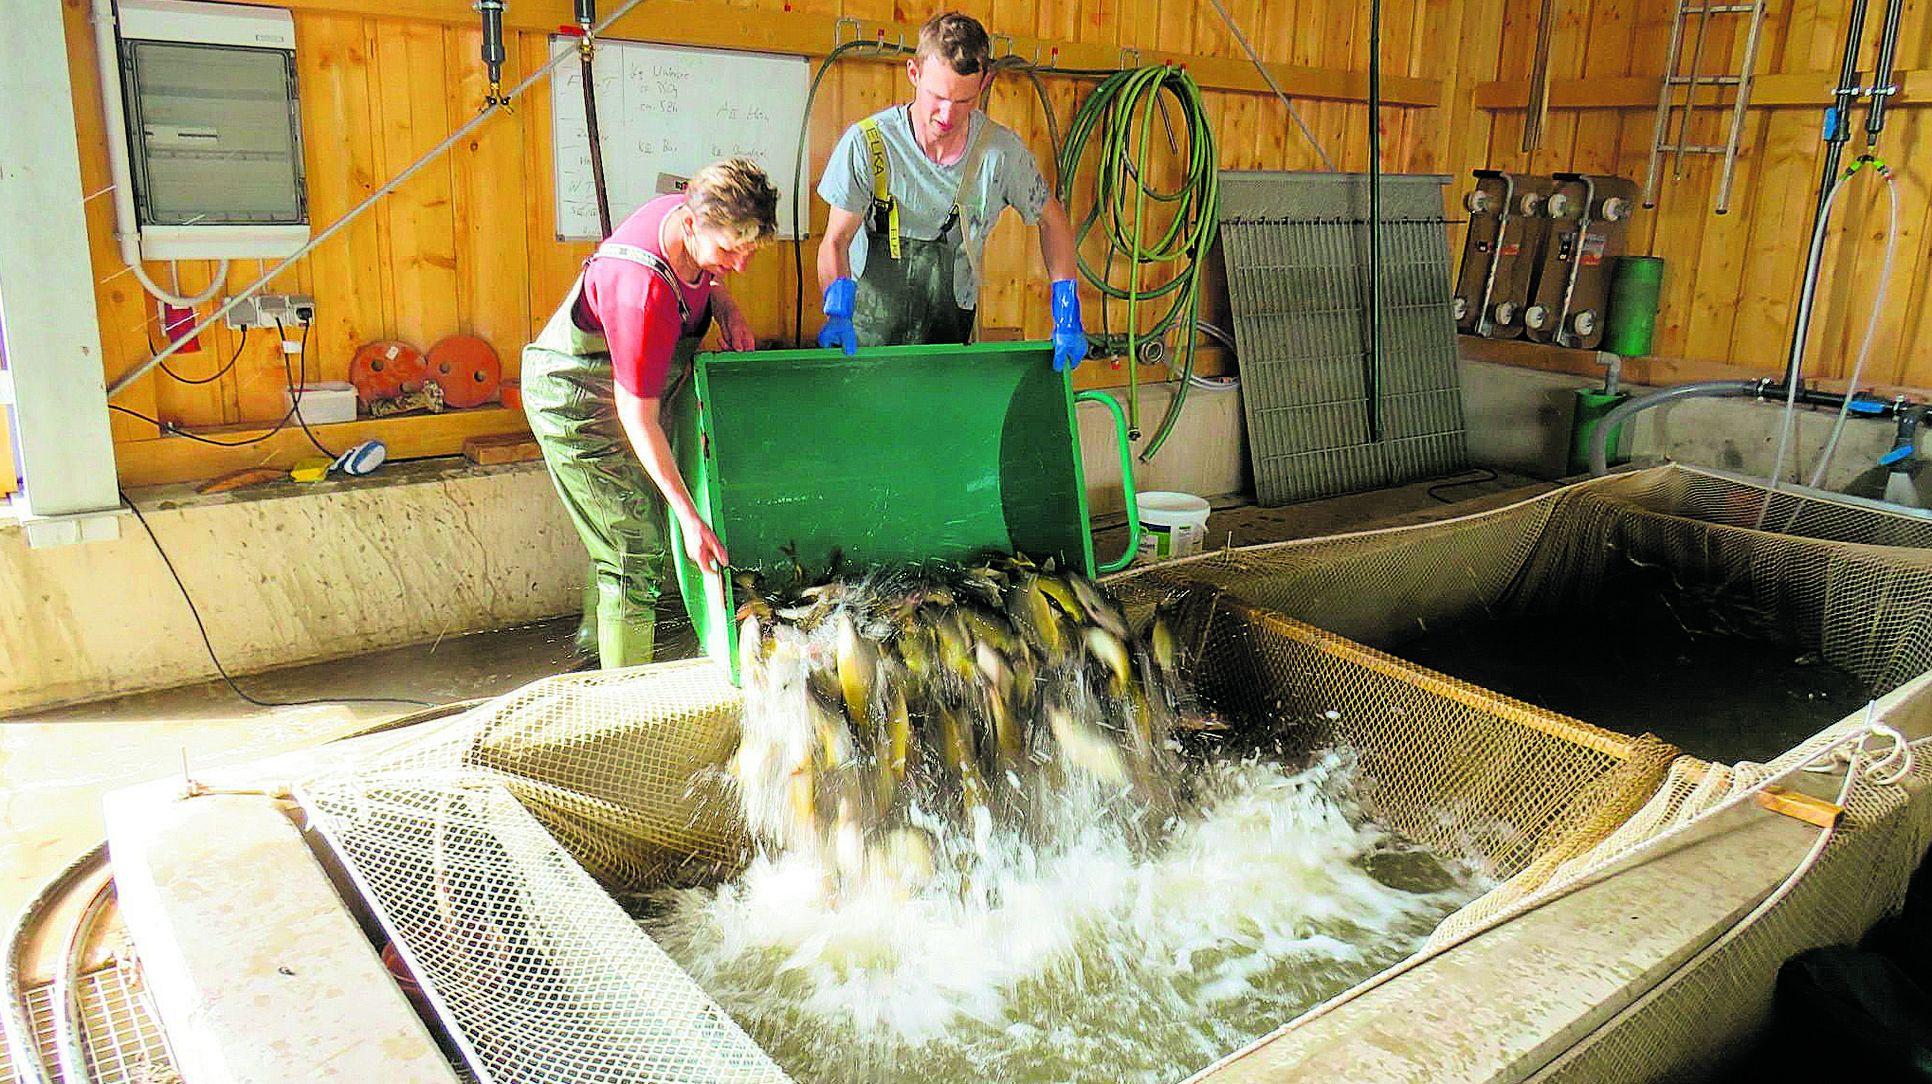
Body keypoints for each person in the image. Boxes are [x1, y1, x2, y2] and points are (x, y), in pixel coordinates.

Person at [523, 158, 778, 668]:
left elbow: (706, 272)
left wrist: (723, 303)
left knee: (622, 539)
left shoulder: (688, 220)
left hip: (626, 392)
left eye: (749, 250)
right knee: (633, 549)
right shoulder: (642, 289)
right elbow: (635, 415)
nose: (741, 263)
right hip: (576, 402)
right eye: (730, 251)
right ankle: (625, 704)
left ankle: (593, 658)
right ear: (690, 224)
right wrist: (690, 518)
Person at [815, 11, 1086, 370]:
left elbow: (1053, 221)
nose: (947, 114)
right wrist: (837, 312)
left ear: (984, 82)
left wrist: (1066, 312)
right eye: (937, 96)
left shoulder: (1000, 154)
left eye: (963, 102)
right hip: (864, 341)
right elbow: (836, 240)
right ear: (914, 73)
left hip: (950, 343)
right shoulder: (869, 144)